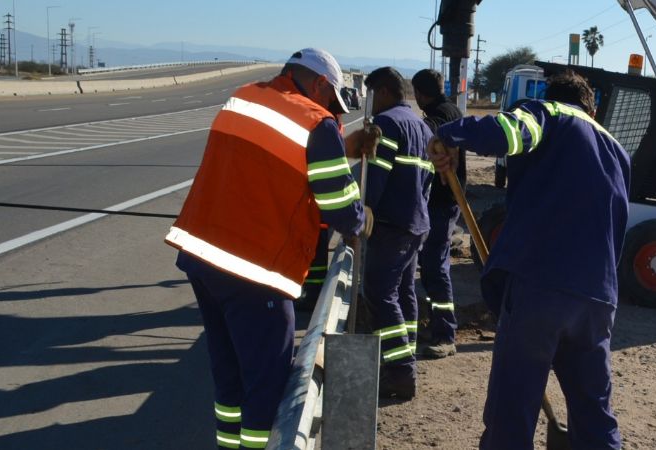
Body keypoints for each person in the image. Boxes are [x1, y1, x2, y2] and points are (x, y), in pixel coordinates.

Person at [165, 48, 376, 450]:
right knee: (267, 382)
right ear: (319, 84)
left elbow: (272, 160)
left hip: (203, 257)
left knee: (229, 374)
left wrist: (340, 146)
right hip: (254, 268)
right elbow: (339, 206)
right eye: (333, 101)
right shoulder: (317, 122)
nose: (334, 112)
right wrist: (362, 218)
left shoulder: (243, 97)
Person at [428, 70, 629, 449]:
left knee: (512, 410)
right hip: (598, 300)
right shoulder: (616, 150)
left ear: (553, 96)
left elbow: (507, 133)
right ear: (593, 108)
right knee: (594, 412)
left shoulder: (548, 113)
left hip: (541, 287)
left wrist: (449, 135)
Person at [362, 66, 434, 400]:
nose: (371, 102)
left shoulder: (387, 123)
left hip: (391, 225)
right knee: (403, 293)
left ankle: (401, 373)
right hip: (416, 223)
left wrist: (361, 214)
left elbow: (375, 180)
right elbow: (429, 181)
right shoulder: (422, 126)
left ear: (385, 91)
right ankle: (406, 358)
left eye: (373, 94)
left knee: (379, 293)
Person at [411, 68, 465, 359]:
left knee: (435, 265)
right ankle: (437, 324)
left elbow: (432, 129)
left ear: (419, 93)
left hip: (443, 201)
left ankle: (446, 334)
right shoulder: (453, 107)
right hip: (443, 201)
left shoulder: (442, 114)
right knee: (431, 264)